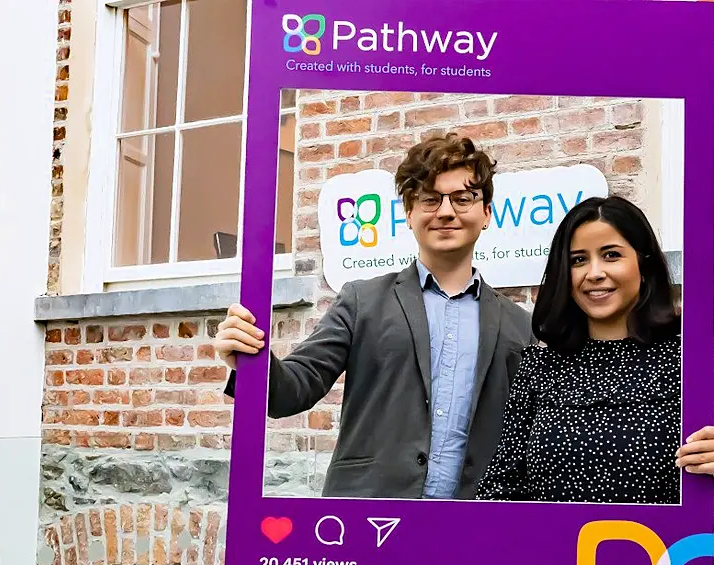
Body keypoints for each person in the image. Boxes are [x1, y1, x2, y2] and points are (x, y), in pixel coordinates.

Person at [215, 133, 533, 500]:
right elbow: (293, 390)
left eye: (463, 198)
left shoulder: (519, 326)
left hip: (471, 528)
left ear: (487, 213)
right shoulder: (362, 301)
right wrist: (251, 358)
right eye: (430, 199)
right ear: (410, 213)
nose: (446, 212)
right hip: (366, 521)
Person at [474, 195, 714, 530]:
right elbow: (499, 490)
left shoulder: (692, 362)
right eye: (578, 260)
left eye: (611, 255)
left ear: (644, 264)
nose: (594, 273)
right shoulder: (540, 367)